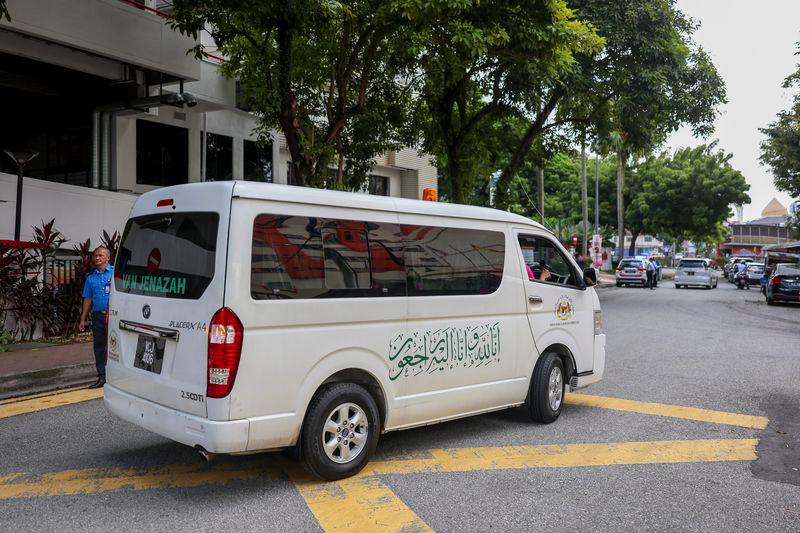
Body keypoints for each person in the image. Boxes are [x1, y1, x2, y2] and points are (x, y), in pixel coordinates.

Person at [78, 246, 113, 388]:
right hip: (98, 316)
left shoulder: (115, 274)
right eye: (96, 255)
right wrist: (82, 319)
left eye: (101, 255)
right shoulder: (90, 278)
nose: (97, 258)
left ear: (108, 258)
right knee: (99, 347)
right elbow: (88, 299)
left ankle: (117, 375)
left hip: (114, 316)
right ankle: (102, 376)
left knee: (115, 346)